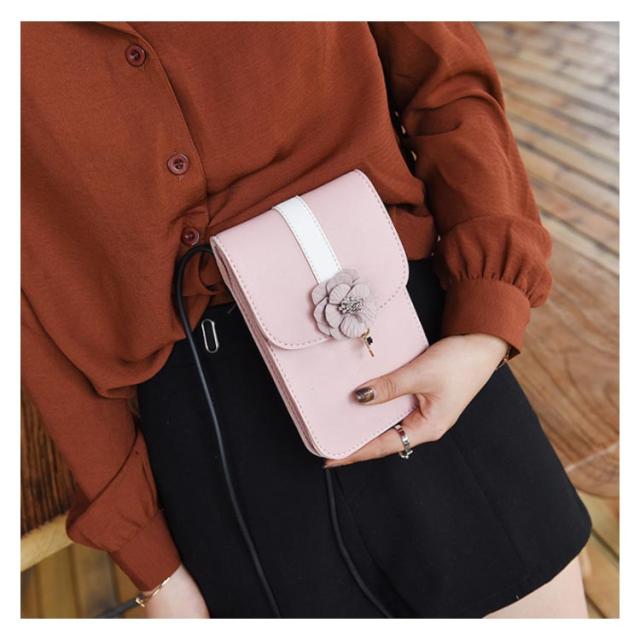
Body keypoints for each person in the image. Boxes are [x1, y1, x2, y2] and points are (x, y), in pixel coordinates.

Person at [21, 21, 592, 618]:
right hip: (208, 423)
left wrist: (486, 320)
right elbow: (30, 294)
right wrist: (152, 564)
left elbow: (445, 78)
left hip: (411, 338)